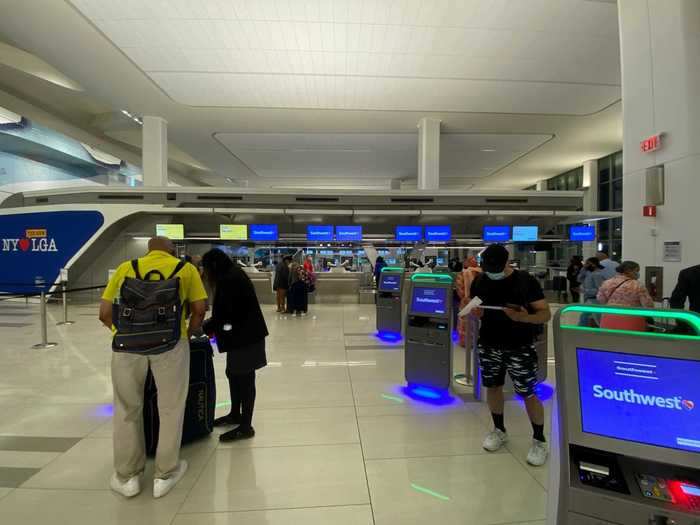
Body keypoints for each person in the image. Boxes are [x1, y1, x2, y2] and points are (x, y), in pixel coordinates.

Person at [99, 237, 207, 499]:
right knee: (170, 408)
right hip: (170, 344)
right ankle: (165, 474)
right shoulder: (186, 269)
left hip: (126, 347)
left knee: (126, 409)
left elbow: (104, 312)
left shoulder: (126, 267)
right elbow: (200, 310)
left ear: (148, 250)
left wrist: (122, 332)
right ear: (172, 251)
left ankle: (127, 477)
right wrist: (187, 333)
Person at [469, 244, 551, 467]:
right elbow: (478, 308)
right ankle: (499, 430)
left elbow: (545, 314)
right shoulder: (480, 280)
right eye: (487, 268)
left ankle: (539, 439)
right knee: (493, 387)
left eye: (495, 267)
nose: (491, 272)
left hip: (519, 346)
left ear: (507, 263)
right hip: (489, 344)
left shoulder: (526, 281)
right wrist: (478, 313)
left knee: (527, 392)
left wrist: (523, 318)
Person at [200, 249, 268, 442]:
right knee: (234, 374)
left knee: (245, 379)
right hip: (241, 336)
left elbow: (226, 313)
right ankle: (235, 414)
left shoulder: (230, 279)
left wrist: (204, 327)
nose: (205, 273)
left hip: (246, 337)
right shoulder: (231, 275)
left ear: (213, 265)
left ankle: (246, 426)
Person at [597, 260, 654, 331]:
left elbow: (600, 299)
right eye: (636, 271)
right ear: (629, 271)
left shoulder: (607, 282)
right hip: (631, 318)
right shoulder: (637, 285)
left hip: (609, 316)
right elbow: (648, 305)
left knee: (609, 340)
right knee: (630, 340)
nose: (638, 273)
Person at [455, 255, 482, 347]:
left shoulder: (462, 274)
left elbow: (460, 292)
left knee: (465, 324)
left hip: (466, 303)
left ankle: (466, 343)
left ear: (467, 263)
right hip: (480, 304)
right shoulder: (483, 274)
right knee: (478, 322)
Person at [577, 257, 607, 327]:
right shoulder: (589, 273)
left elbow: (600, 290)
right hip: (589, 299)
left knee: (584, 319)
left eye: (587, 264)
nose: (585, 265)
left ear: (593, 264)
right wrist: (583, 269)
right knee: (588, 319)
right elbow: (579, 279)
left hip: (594, 300)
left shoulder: (597, 275)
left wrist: (584, 291)